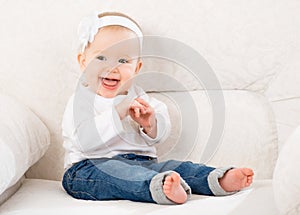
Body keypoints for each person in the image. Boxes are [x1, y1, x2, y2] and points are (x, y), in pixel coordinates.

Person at [62, 11, 254, 205]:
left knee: (176, 167)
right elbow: (83, 141)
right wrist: (118, 112)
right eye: (101, 58)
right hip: (89, 169)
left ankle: (216, 179)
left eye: (123, 61)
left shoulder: (139, 97)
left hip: (143, 164)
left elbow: (160, 135)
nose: (112, 68)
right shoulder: (80, 100)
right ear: (83, 62)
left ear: (137, 68)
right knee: (124, 174)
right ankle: (159, 187)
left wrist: (150, 124)